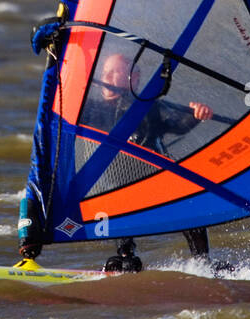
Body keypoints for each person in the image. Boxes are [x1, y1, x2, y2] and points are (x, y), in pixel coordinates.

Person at [78, 53, 213, 272]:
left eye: (114, 72)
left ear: (134, 78)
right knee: (115, 195)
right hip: (115, 184)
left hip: (152, 177)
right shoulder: (91, 109)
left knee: (188, 197)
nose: (108, 77)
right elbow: (64, 111)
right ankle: (125, 255)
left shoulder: (149, 108)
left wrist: (197, 115)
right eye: (105, 73)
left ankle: (203, 262)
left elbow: (178, 124)